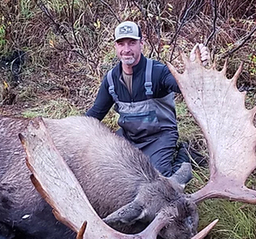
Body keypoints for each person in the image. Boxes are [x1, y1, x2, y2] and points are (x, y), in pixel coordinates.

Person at [85, 21, 209, 177]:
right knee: (106, 174)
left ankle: (185, 156)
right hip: (128, 138)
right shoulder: (111, 79)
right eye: (121, 44)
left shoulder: (158, 72)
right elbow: (95, 113)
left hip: (159, 137)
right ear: (115, 46)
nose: (126, 50)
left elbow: (185, 86)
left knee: (161, 180)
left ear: (141, 43)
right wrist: (70, 129)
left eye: (132, 43)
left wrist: (196, 69)